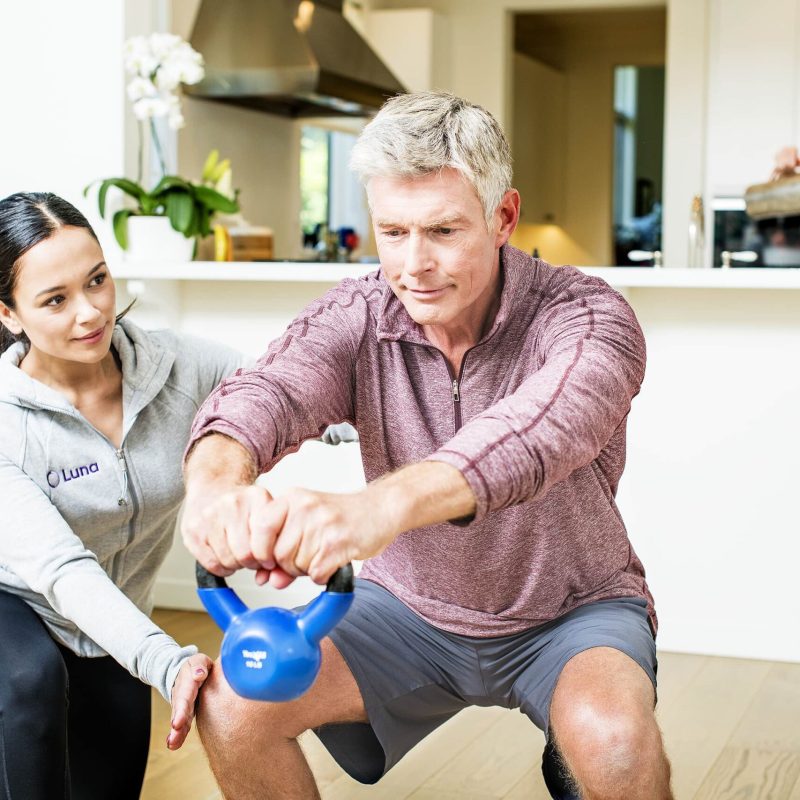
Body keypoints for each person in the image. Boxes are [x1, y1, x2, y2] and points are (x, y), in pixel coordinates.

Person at [182, 91, 673, 800]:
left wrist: (377, 509)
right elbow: (267, 393)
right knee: (231, 707)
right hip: (404, 608)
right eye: (393, 232)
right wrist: (216, 484)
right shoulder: (358, 315)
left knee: (617, 745)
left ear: (503, 217)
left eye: (443, 230)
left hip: (572, 609)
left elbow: (539, 429)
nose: (414, 264)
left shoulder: (588, 316)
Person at [0, 192, 244, 799]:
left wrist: (342, 420)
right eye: (55, 300)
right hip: (19, 601)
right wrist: (166, 661)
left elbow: (280, 385)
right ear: (8, 314)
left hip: (115, 617)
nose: (89, 314)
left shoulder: (177, 367)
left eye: (98, 281)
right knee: (28, 682)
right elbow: (60, 569)